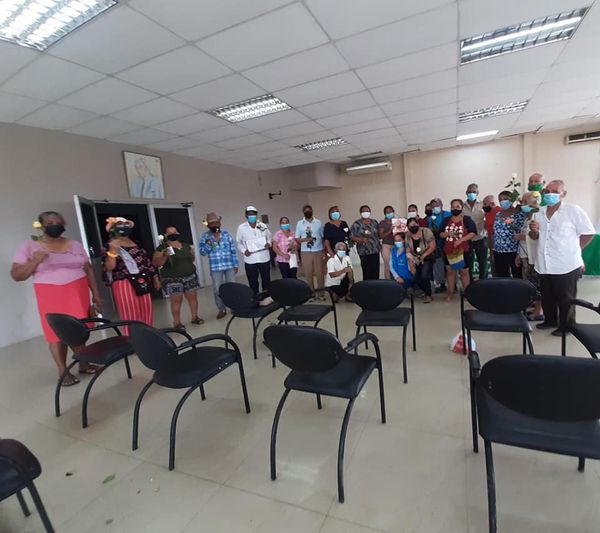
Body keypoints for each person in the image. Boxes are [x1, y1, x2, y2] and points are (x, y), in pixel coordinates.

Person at [11, 211, 103, 386]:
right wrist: (34, 261)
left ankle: (83, 362)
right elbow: (16, 275)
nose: (55, 225)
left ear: (64, 224)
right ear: (41, 226)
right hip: (50, 294)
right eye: (50, 222)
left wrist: (96, 295)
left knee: (79, 329)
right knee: (56, 332)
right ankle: (63, 371)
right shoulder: (30, 246)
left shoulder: (75, 245)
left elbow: (89, 269)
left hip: (77, 293)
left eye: (58, 222)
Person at [529, 179, 595, 336]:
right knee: (547, 295)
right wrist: (534, 231)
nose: (549, 194)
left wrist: (575, 249)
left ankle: (567, 326)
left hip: (566, 263)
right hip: (544, 263)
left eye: (554, 192)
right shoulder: (538, 213)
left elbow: (588, 233)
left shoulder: (573, 211)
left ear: (563, 194)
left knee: (566, 298)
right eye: (547, 191)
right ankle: (550, 320)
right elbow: (534, 237)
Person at [103, 217, 160, 334]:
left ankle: (148, 336)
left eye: (126, 224)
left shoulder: (136, 243)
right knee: (130, 314)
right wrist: (113, 251)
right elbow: (109, 267)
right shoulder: (110, 245)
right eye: (120, 224)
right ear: (113, 229)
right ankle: (133, 339)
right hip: (124, 284)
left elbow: (146, 262)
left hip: (142, 280)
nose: (124, 226)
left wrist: (155, 277)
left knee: (146, 310)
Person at [153, 226, 203, 328]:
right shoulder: (162, 248)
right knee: (176, 300)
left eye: (174, 232)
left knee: (192, 297)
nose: (173, 235)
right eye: (170, 233)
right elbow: (156, 263)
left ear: (178, 233)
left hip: (190, 276)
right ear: (166, 235)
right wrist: (165, 256)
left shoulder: (185, 245)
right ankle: (177, 323)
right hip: (173, 279)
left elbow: (192, 258)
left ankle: (195, 317)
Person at [199, 212, 239, 319]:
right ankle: (221, 309)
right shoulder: (205, 237)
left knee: (232, 288)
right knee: (217, 290)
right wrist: (208, 245)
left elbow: (233, 251)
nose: (214, 225)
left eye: (216, 223)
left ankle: (234, 307)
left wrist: (236, 264)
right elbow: (202, 252)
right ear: (208, 226)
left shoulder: (226, 234)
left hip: (229, 265)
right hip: (216, 267)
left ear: (219, 224)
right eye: (212, 224)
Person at [439, 199, 477, 300]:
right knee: (450, 271)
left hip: (464, 250)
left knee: (464, 272)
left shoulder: (467, 219)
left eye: (457, 207)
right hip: (448, 250)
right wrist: (447, 234)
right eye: (453, 207)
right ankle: (450, 292)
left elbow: (473, 232)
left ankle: (467, 293)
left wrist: (461, 240)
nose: (455, 209)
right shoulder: (446, 220)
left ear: (461, 208)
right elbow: (440, 234)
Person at [514, 193, 543, 321]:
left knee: (537, 284)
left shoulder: (539, 216)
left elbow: (540, 237)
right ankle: (535, 307)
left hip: (535, 257)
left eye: (525, 202)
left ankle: (539, 311)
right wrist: (518, 255)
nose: (522, 204)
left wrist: (522, 237)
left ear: (534, 202)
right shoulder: (528, 217)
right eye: (522, 201)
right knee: (530, 284)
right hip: (525, 255)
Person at [236, 206, 272, 295]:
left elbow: (269, 237)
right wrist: (244, 251)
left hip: (264, 258)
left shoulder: (262, 225)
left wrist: (268, 243)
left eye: (254, 214)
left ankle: (267, 298)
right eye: (250, 214)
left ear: (256, 215)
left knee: (266, 280)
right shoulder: (241, 227)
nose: (252, 216)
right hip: (250, 260)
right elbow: (239, 243)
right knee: (253, 282)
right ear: (246, 215)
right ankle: (255, 299)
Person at [492, 191, 525, 278]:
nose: (503, 201)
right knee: (501, 276)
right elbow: (494, 233)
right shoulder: (498, 214)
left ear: (512, 200)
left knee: (517, 275)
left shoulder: (519, 214)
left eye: (505, 199)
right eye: (500, 200)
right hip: (498, 251)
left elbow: (521, 231)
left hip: (513, 251)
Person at [405, 217, 437, 303]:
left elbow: (433, 246)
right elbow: (408, 250)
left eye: (414, 224)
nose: (413, 227)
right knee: (416, 277)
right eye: (410, 226)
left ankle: (428, 295)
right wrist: (411, 265)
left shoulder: (426, 231)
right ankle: (424, 290)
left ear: (418, 224)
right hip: (415, 258)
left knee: (424, 275)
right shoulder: (407, 235)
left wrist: (424, 255)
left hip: (427, 256)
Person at [295, 204, 325, 292]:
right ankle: (311, 292)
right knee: (308, 273)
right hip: (305, 251)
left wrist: (324, 251)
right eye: (306, 211)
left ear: (312, 211)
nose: (308, 212)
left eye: (309, 210)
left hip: (318, 250)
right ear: (303, 212)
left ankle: (321, 292)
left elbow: (323, 237)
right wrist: (306, 239)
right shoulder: (299, 223)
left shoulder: (318, 222)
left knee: (319, 273)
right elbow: (297, 238)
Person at [462, 183, 488, 280]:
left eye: (474, 192)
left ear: (477, 193)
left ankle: (483, 283)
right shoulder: (462, 206)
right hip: (467, 239)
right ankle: (470, 283)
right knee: (468, 263)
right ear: (466, 192)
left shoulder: (482, 204)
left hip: (480, 238)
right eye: (469, 192)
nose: (471, 193)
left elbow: (488, 218)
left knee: (483, 263)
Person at [351, 205, 381, 280]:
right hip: (364, 251)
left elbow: (379, 234)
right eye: (363, 211)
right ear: (360, 213)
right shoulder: (356, 224)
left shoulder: (374, 222)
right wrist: (361, 240)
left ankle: (376, 285)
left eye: (367, 211)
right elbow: (351, 236)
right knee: (366, 271)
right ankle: (367, 286)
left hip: (375, 250)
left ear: (370, 212)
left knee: (375, 271)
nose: (366, 212)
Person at [428, 198, 450, 293]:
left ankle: (453, 284)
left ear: (441, 205)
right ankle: (441, 284)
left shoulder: (448, 214)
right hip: (437, 244)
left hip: (449, 242)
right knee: (438, 265)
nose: (435, 208)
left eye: (437, 205)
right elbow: (430, 231)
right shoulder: (431, 218)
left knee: (450, 264)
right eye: (433, 206)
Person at [378, 205, 396, 279]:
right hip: (386, 246)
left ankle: (396, 281)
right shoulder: (382, 223)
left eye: (390, 212)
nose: (389, 213)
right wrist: (390, 230)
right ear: (384, 214)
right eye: (387, 212)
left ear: (393, 212)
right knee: (388, 265)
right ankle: (388, 282)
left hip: (396, 245)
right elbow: (381, 236)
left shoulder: (397, 221)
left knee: (396, 264)